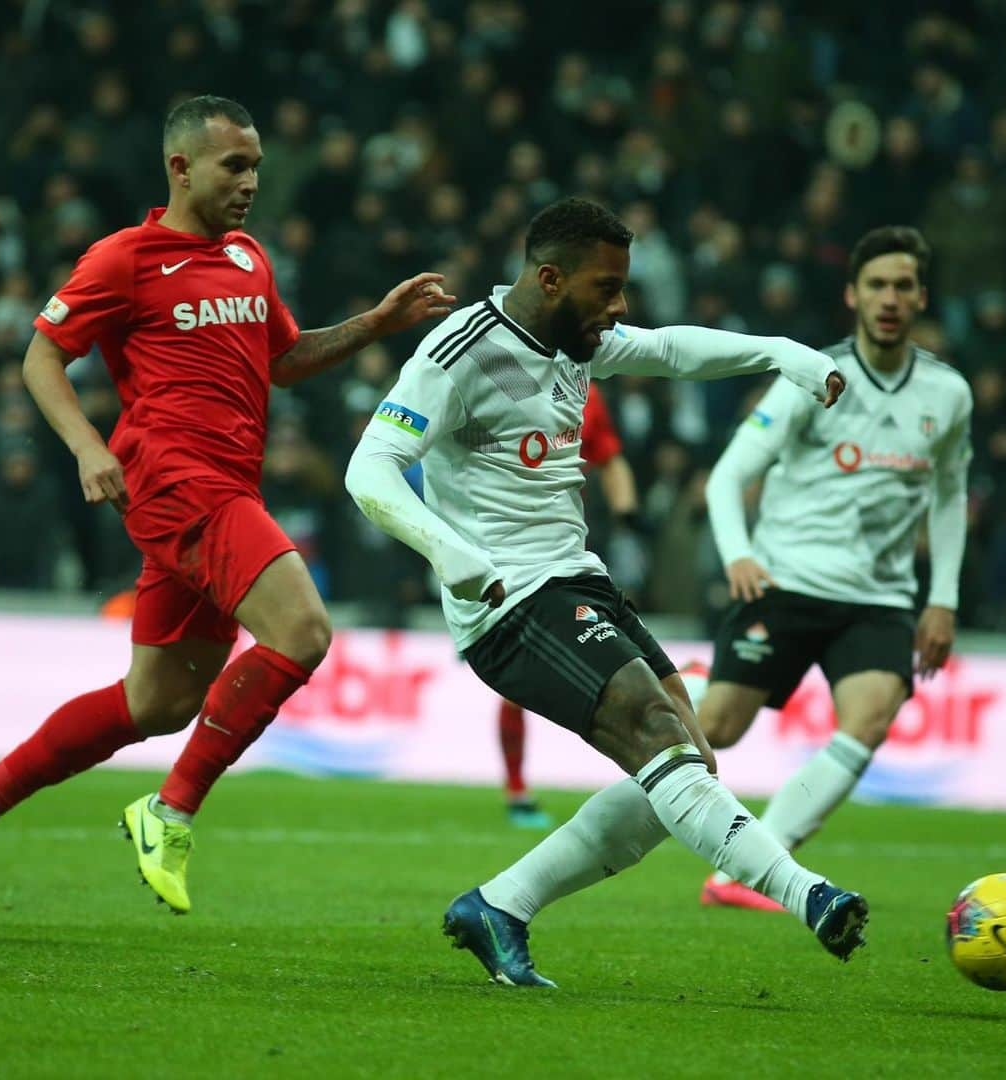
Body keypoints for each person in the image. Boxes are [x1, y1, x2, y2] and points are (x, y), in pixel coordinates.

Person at [345, 196, 866, 988]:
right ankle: (809, 895)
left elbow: (671, 350)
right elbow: (369, 467)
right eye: (606, 287)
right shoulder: (459, 352)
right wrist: (447, 552)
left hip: (575, 578)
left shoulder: (572, 339)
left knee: (689, 757)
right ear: (550, 278)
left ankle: (500, 904)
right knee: (659, 730)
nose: (619, 306)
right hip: (506, 601)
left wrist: (781, 353)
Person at [0, 95, 454, 915]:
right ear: (181, 167)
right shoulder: (125, 258)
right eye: (233, 167)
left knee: (159, 702)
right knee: (305, 630)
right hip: (174, 479)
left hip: (227, 486)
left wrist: (377, 323)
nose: (249, 183)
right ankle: (168, 811)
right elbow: (40, 358)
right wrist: (89, 446)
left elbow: (284, 357)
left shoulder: (247, 258)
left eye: (256, 168)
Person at [685, 225, 972, 911]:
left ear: (922, 297)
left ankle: (750, 869)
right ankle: (692, 686)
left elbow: (951, 495)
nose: (890, 298)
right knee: (717, 730)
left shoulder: (948, 394)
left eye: (903, 286)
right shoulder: (813, 379)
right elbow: (726, 478)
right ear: (853, 295)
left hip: (877, 598)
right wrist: (739, 555)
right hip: (785, 581)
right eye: (877, 285)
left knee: (871, 716)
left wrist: (944, 599)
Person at [499, 380, 639, 828]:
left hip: (566, 552)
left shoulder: (585, 392)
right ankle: (517, 788)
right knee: (514, 680)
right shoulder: (496, 378)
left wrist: (628, 513)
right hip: (502, 549)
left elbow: (608, 456)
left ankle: (649, 775)